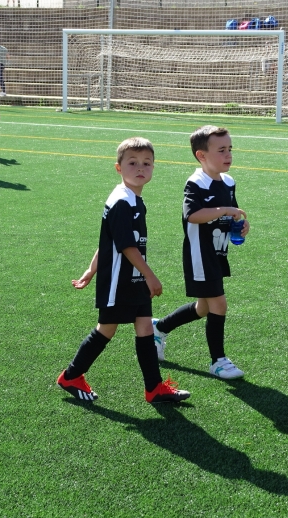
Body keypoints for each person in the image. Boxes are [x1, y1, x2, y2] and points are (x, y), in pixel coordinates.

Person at [57, 137, 191, 404]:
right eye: (132, 163)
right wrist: (150, 274)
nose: (140, 168)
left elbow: (108, 241)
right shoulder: (122, 201)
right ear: (119, 167)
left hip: (133, 277)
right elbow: (125, 246)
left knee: (144, 326)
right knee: (107, 328)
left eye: (146, 163)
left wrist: (90, 269)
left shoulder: (133, 199)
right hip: (119, 279)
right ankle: (71, 375)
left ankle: (154, 387)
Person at [151, 126, 248, 380]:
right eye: (221, 150)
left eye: (230, 149)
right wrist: (223, 210)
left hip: (218, 252)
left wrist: (240, 224)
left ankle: (159, 328)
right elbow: (192, 215)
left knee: (204, 307)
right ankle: (218, 361)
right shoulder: (196, 182)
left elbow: (232, 213)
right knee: (219, 304)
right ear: (201, 155)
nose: (228, 155)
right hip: (200, 255)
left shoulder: (228, 181)